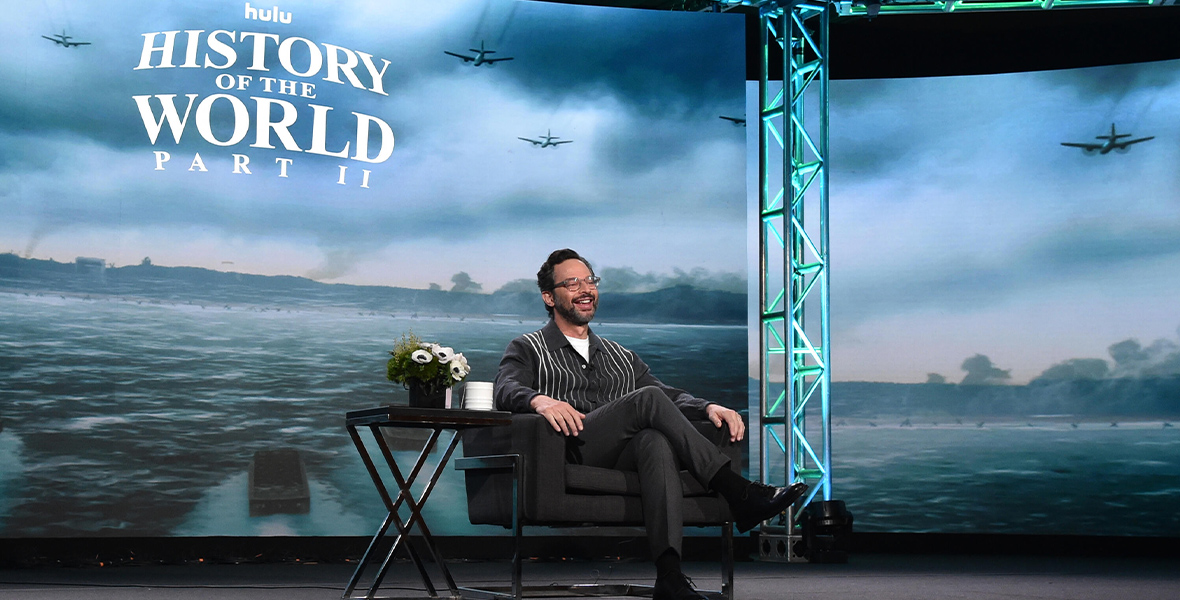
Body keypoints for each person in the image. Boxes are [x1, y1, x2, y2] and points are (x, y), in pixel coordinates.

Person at [495, 248, 808, 600]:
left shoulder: (621, 355)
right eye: (572, 283)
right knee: (646, 400)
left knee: (654, 442)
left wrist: (708, 407)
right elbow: (505, 388)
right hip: (571, 449)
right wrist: (540, 399)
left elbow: (668, 395)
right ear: (550, 297)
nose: (585, 289)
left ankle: (670, 577)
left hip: (618, 455)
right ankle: (738, 491)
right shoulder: (528, 347)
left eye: (590, 280)